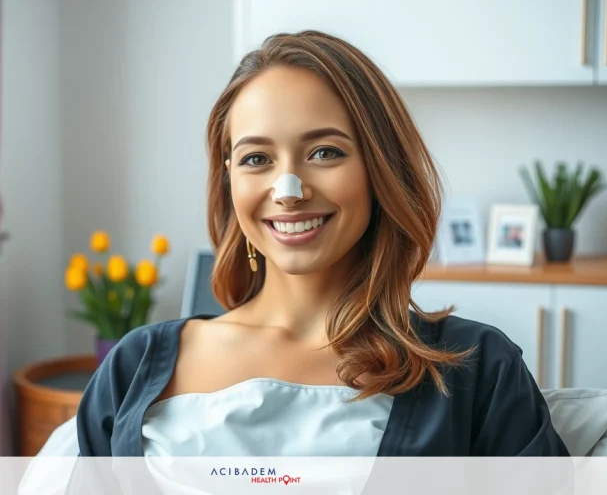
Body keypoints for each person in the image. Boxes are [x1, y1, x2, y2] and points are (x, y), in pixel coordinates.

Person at [75, 30, 569, 459]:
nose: (288, 190)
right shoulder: (133, 366)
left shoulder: (479, 367)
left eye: (324, 152)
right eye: (255, 159)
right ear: (228, 179)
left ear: (380, 169)